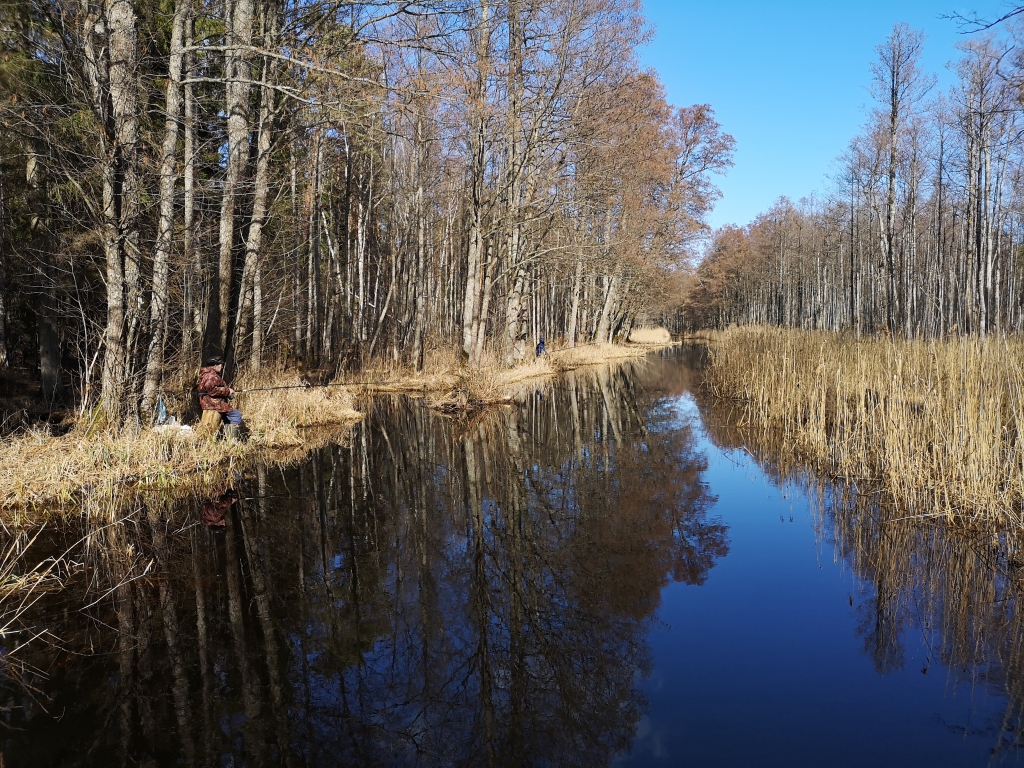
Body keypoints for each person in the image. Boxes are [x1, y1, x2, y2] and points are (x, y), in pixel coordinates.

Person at [198, 356, 244, 439]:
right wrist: (227, 391)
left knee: (228, 419)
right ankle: (232, 441)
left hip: (211, 403)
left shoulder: (207, 374)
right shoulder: (211, 376)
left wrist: (227, 393)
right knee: (236, 415)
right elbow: (212, 390)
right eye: (220, 364)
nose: (221, 366)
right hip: (214, 404)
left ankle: (228, 439)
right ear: (215, 365)